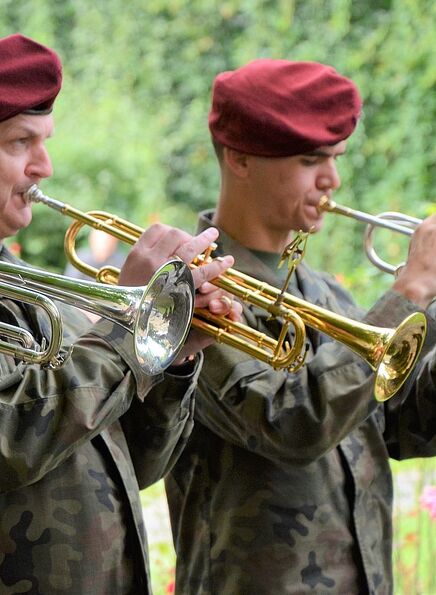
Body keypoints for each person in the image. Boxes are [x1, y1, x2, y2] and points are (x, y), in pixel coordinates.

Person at [0, 34, 239, 594]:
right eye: (20, 143)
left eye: (43, 141)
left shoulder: (33, 286)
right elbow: (0, 447)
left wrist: (171, 350)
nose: (44, 165)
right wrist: (127, 326)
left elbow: (131, 463)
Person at [164, 58, 436, 594]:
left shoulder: (325, 292)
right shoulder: (195, 295)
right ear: (240, 159)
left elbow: (399, 424)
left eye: (335, 158)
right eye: (312, 160)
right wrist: (408, 294)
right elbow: (290, 423)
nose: (332, 180)